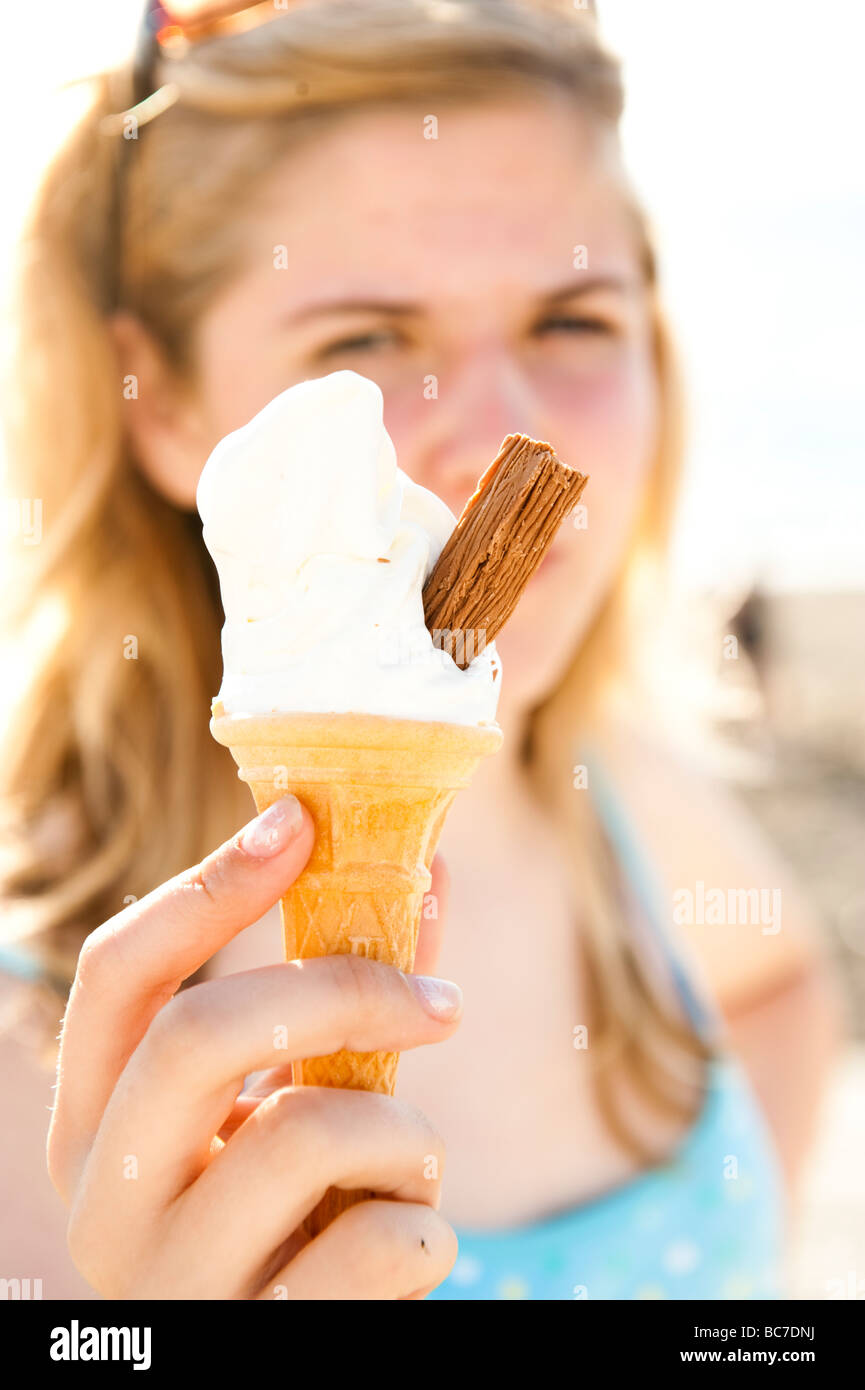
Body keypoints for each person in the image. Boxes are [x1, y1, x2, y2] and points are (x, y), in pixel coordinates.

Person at [0, 0, 841, 1300]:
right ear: (155, 403)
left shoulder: (623, 799)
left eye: (571, 321)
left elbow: (782, 977)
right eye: (366, 339)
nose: (502, 434)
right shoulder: (43, 1058)